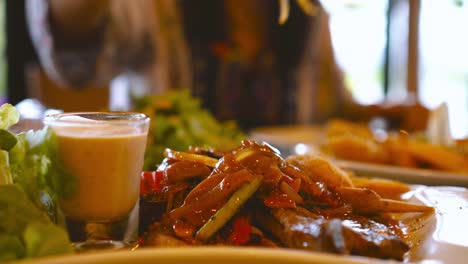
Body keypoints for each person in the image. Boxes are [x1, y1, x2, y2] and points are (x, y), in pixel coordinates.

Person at [26, 0, 428, 131]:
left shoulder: (306, 14)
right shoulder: (155, 8)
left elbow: (330, 104)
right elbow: (74, 66)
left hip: (289, 216)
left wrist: (383, 111)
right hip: (166, 213)